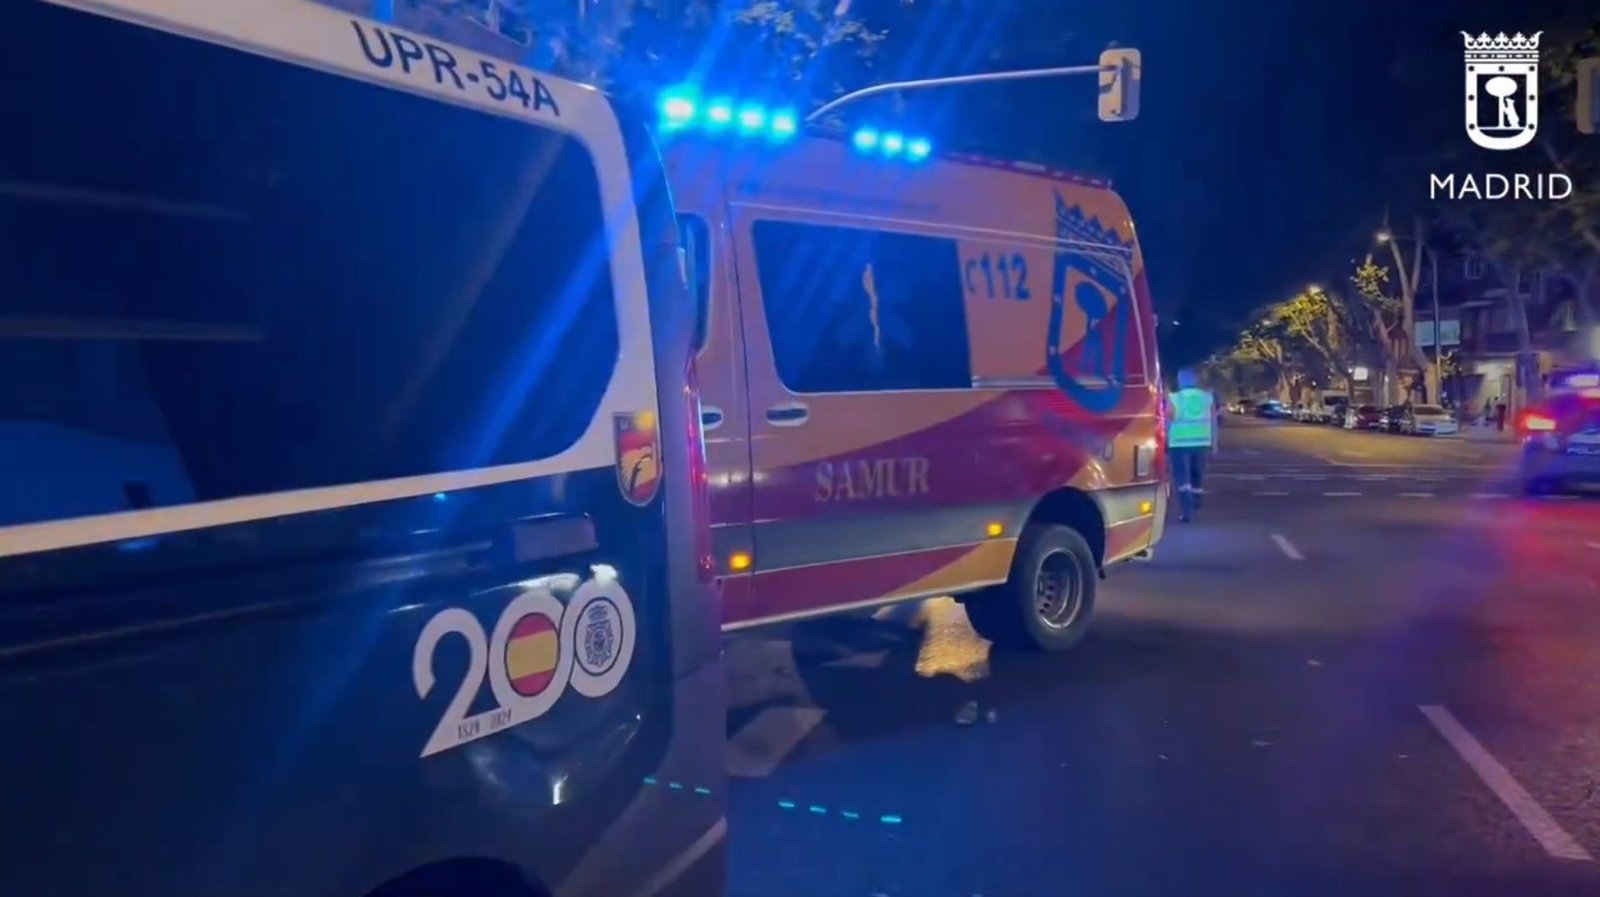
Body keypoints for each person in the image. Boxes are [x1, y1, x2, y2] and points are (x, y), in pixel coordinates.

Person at [1167, 368, 1217, 523]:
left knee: (1183, 479)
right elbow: (1213, 422)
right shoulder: (1207, 398)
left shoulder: (1174, 398)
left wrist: (1164, 440)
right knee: (1197, 477)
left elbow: (1168, 419)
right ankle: (1197, 507)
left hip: (1179, 444)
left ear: (1180, 381)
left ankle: (1186, 512)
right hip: (1202, 443)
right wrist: (1214, 443)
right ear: (1195, 380)